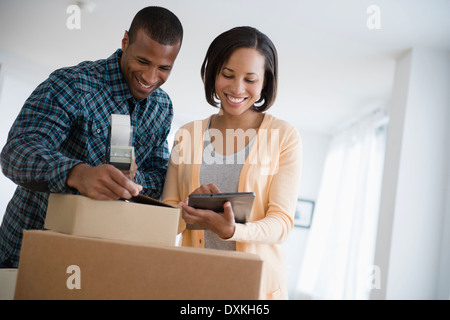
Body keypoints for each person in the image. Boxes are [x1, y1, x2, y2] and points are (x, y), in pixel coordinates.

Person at [0, 6, 183, 268]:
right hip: (26, 255)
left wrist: (133, 181)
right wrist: (77, 173)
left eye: (164, 68)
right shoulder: (72, 84)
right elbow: (16, 152)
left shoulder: (162, 107)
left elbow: (159, 180)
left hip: (95, 262)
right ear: (125, 41)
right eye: (143, 61)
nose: (150, 77)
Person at [162, 26, 302, 300]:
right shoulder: (187, 135)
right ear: (213, 73)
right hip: (194, 285)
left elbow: (282, 222)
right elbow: (168, 213)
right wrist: (188, 208)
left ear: (265, 83)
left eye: (250, 79)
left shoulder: (284, 136)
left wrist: (233, 231)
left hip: (256, 291)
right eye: (228, 75)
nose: (237, 88)